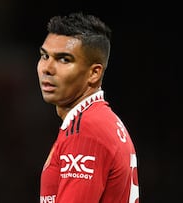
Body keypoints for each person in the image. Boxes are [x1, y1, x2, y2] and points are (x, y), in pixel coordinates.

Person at [36, 12, 140, 203]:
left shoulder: (86, 131)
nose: (47, 68)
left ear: (94, 73)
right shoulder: (102, 120)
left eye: (64, 59)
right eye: (44, 56)